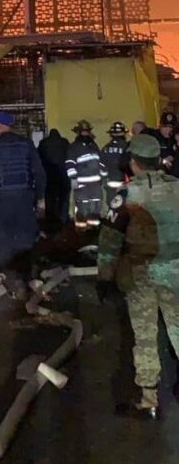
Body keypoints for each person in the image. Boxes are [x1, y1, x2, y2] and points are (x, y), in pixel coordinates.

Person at [97, 133, 179, 418]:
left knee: (144, 336)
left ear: (133, 163)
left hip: (140, 275)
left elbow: (109, 240)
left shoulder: (127, 196)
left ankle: (149, 399)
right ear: (158, 161)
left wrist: (105, 276)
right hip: (176, 273)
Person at [0, 111, 46, 291]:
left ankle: (8, 275)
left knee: (5, 235)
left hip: (3, 198)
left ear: (0, 126)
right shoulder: (27, 144)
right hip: (25, 196)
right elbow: (39, 172)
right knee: (26, 234)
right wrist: (39, 196)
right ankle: (27, 272)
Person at [66, 120, 106, 227]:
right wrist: (73, 179)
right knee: (82, 209)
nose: (85, 134)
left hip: (95, 185)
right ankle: (82, 233)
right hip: (82, 185)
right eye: (83, 131)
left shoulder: (94, 145)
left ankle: (94, 232)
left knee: (95, 208)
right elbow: (70, 164)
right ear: (78, 133)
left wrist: (103, 174)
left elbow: (100, 161)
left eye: (86, 131)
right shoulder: (74, 147)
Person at [37, 128, 70, 229]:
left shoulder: (43, 143)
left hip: (49, 175)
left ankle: (51, 218)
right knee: (64, 198)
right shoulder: (65, 142)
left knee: (50, 198)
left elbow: (39, 157)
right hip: (63, 174)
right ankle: (63, 218)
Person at [100, 121, 129, 209]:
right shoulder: (127, 147)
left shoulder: (105, 148)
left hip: (110, 184)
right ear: (124, 134)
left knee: (112, 206)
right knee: (124, 209)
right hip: (125, 184)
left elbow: (101, 166)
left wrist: (105, 178)